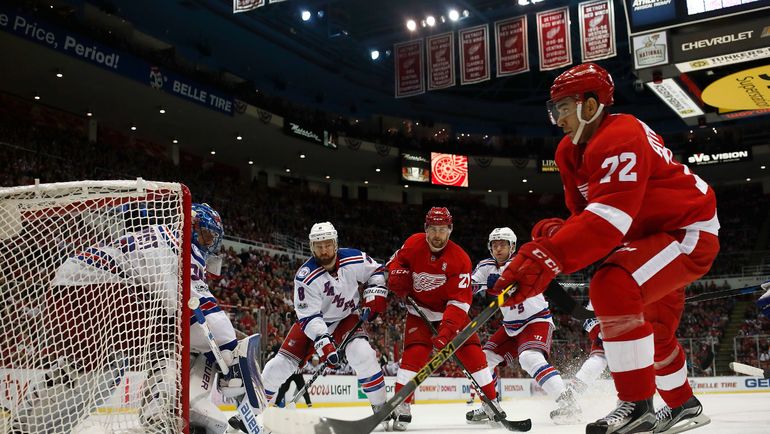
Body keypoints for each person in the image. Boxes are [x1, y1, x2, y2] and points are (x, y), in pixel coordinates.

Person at [487, 63, 719, 434]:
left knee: (612, 284)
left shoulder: (620, 134)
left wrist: (545, 256)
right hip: (644, 238)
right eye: (554, 108)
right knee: (655, 330)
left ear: (590, 105)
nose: (556, 117)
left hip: (685, 231)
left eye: (562, 107)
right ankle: (684, 405)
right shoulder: (569, 151)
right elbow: (587, 216)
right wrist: (555, 235)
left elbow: (607, 224)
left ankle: (636, 404)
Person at [12, 202, 247, 434]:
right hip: (105, 288)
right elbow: (204, 310)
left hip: (69, 281)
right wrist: (228, 346)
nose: (207, 243)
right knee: (169, 340)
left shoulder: (159, 232)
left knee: (89, 369)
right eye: (205, 235)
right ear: (192, 225)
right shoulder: (184, 244)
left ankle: (24, 424)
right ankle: (158, 417)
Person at [246, 222, 388, 426]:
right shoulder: (305, 277)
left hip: (346, 317)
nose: (324, 250)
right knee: (277, 366)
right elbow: (309, 316)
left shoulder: (353, 258)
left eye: (328, 244)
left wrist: (374, 293)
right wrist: (324, 343)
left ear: (335, 244)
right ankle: (249, 412)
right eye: (319, 246)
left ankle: (381, 407)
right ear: (312, 247)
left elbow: (377, 271)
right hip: (314, 323)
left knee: (363, 354)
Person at [386, 207, 503, 431]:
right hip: (418, 312)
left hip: (451, 315)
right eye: (433, 229)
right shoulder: (412, 243)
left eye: (442, 229)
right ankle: (402, 405)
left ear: (450, 230)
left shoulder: (460, 259)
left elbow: (459, 302)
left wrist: (447, 331)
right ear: (425, 229)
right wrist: (396, 274)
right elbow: (395, 262)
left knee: (474, 356)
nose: (437, 235)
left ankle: (491, 403)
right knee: (414, 355)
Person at [467, 227, 580, 425]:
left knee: (529, 358)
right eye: (494, 245)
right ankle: (491, 405)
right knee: (483, 360)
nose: (498, 248)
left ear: (512, 247)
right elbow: (471, 286)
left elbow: (512, 281)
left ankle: (568, 402)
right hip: (510, 326)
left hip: (535, 320)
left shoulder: (523, 262)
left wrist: (497, 283)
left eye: (503, 244)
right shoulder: (485, 266)